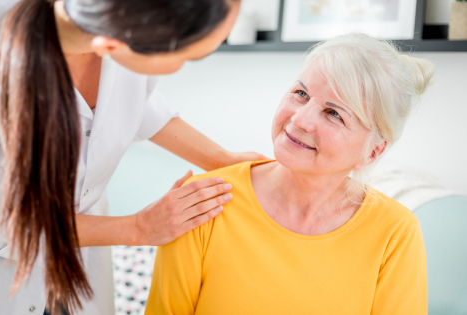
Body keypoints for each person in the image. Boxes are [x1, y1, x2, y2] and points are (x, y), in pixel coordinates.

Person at [0, 0, 267, 314]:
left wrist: (222, 160)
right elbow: (1, 222)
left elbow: (137, 104)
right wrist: (138, 228)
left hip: (77, 268)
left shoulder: (113, 26)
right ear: (112, 44)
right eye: (190, 56)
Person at [145, 33, 435, 315]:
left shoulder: (395, 232)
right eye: (301, 94)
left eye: (334, 114)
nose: (300, 119)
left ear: (373, 152)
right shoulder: (204, 200)